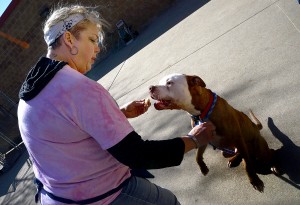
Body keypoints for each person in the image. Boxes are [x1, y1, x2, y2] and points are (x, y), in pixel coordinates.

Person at [17, 5, 216, 205]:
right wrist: (193, 139)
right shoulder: (80, 89)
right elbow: (137, 155)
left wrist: (118, 114)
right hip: (101, 195)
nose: (98, 48)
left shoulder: (30, 93)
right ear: (69, 39)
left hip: (54, 197)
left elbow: (63, 133)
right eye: (92, 39)